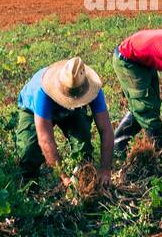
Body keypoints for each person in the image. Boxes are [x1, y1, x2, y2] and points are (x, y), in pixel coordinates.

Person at [15, 57, 113, 189]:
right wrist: (64, 177)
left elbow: (106, 129)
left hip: (74, 111)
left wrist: (105, 169)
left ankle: (83, 179)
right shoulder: (42, 92)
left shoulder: (92, 88)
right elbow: (45, 139)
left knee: (82, 143)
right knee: (29, 150)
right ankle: (30, 189)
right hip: (33, 110)